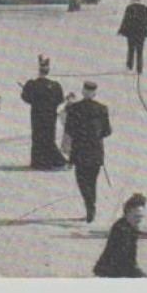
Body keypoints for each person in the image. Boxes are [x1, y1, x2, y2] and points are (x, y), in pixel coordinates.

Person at [63, 81, 113, 222]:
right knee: (92, 181)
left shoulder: (74, 108)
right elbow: (107, 131)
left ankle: (89, 206)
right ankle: (91, 206)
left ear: (83, 92)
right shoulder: (102, 109)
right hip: (96, 151)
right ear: (95, 93)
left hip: (79, 151)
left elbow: (69, 130)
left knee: (82, 181)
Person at [18, 57, 68, 169]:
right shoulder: (55, 85)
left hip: (36, 115)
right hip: (50, 116)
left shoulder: (32, 84)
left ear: (39, 70)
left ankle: (38, 162)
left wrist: (26, 92)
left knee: (37, 137)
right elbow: (60, 99)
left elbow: (26, 98)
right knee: (49, 137)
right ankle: (52, 160)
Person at [93, 193, 147, 277]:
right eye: (136, 216)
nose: (139, 220)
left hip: (122, 267)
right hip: (109, 269)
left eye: (141, 217)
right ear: (127, 213)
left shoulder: (133, 228)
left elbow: (131, 255)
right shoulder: (121, 229)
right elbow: (119, 256)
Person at [118, 0, 147, 74]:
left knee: (131, 49)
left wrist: (121, 30)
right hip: (141, 34)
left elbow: (125, 20)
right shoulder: (144, 8)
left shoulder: (129, 8)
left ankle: (129, 66)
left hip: (131, 33)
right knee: (140, 51)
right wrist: (146, 28)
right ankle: (139, 68)